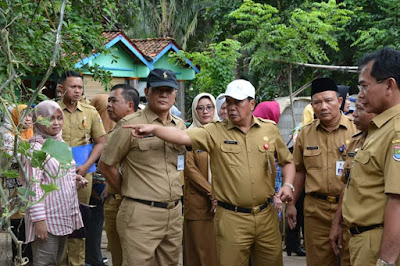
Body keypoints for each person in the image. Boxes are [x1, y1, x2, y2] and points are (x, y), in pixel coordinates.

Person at [123, 79, 296, 266]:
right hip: (232, 218)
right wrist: (155, 129)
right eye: (228, 102)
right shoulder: (214, 131)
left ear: (252, 103)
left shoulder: (269, 129)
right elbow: (182, 136)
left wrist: (288, 184)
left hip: (266, 216)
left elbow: (287, 161)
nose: (231, 107)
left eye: (237, 102)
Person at [98, 68, 186, 266]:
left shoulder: (179, 126)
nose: (163, 94)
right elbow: (105, 165)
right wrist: (127, 191)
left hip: (173, 213)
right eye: (158, 90)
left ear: (175, 94)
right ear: (146, 92)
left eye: (168, 90)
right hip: (141, 213)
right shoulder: (129, 125)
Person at [286, 77, 357, 266]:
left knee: (351, 259)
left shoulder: (357, 131)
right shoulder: (305, 134)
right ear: (312, 106)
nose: (323, 107)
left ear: (340, 102)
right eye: (317, 102)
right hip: (316, 212)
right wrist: (292, 204)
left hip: (350, 211)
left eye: (328, 100)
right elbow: (300, 171)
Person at [341, 47, 400, 266]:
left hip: (378, 243)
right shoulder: (379, 128)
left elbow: (398, 202)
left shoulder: (396, 132)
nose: (361, 94)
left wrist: (386, 261)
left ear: (389, 85)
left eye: (365, 86)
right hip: (364, 239)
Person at [22, 100, 87, 265]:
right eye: (50, 118)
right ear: (39, 120)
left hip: (62, 216)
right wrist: (39, 221)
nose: (56, 123)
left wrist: (74, 178)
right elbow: (32, 186)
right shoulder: (35, 150)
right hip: (47, 220)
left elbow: (57, 174)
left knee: (57, 261)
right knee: (45, 262)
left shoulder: (60, 144)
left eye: (59, 118)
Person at [57, 71, 106, 266]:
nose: (77, 91)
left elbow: (100, 142)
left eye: (80, 87)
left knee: (80, 217)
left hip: (82, 174)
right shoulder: (52, 111)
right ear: (62, 88)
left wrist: (86, 167)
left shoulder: (90, 112)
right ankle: (60, 261)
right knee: (58, 219)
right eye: (73, 87)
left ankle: (77, 262)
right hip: (55, 175)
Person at [329, 97, 376, 258]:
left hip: (374, 231)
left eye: (360, 110)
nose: (353, 115)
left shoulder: (386, 141)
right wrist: (337, 223)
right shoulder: (354, 142)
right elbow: (347, 186)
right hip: (354, 229)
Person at [100, 84, 139, 266]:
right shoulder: (118, 128)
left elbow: (106, 167)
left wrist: (120, 191)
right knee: (117, 253)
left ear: (130, 105)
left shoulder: (133, 129)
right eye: (108, 101)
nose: (108, 105)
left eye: (113, 101)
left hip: (127, 201)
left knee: (127, 256)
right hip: (116, 198)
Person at [183, 93, 219, 266]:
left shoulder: (223, 133)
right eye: (200, 108)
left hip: (224, 203)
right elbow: (190, 170)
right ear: (194, 110)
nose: (205, 111)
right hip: (199, 203)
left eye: (209, 107)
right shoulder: (187, 136)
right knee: (199, 252)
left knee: (219, 253)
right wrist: (212, 193)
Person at [1, 105, 34, 265]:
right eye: (24, 115)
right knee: (18, 221)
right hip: (15, 185)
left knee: (31, 221)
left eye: (30, 115)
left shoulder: (33, 134)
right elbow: (10, 160)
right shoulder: (8, 136)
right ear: (14, 117)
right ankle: (19, 257)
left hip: (32, 184)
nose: (28, 118)